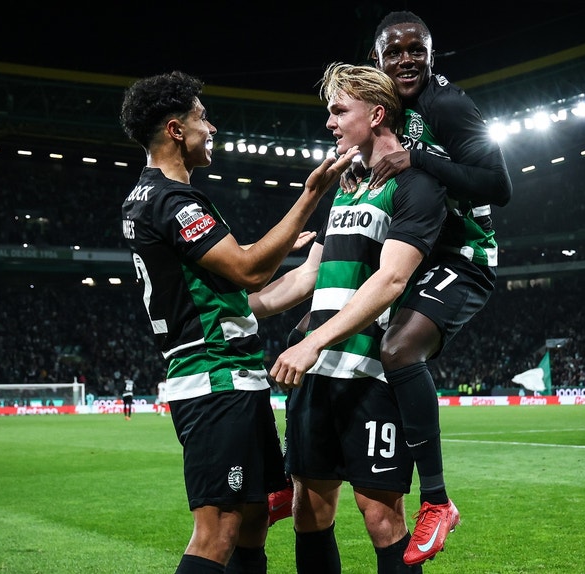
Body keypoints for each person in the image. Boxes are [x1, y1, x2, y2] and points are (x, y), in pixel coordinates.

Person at [119, 70, 357, 574]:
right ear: (176, 130)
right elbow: (249, 270)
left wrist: (313, 247)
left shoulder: (147, 198)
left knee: (252, 519)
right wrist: (311, 194)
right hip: (214, 378)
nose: (212, 128)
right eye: (203, 118)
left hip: (231, 376)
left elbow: (241, 291)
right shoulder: (173, 201)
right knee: (219, 531)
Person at [317, 10, 512, 565]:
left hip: (464, 255)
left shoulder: (447, 105)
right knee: (327, 324)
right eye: (394, 52)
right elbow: (373, 139)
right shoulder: (389, 107)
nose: (406, 60)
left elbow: (499, 185)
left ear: (431, 53)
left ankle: (437, 501)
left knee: (399, 348)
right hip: (418, 249)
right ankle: (304, 470)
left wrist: (417, 157)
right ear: (378, 58)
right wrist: (359, 163)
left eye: (416, 51)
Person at [249, 61, 447, 574]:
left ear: (376, 114)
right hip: (317, 376)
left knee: (380, 515)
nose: (330, 122)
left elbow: (392, 280)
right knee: (309, 510)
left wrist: (312, 341)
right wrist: (236, 306)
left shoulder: (414, 185)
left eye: (339, 111)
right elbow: (309, 276)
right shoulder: (345, 186)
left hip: (371, 374)